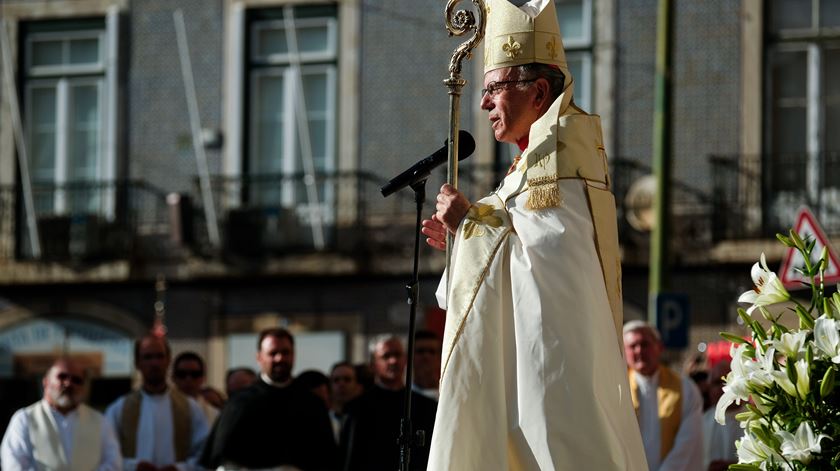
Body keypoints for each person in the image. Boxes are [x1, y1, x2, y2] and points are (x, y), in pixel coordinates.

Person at [420, 0, 647, 469]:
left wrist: (470, 227)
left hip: (550, 378)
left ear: (538, 92)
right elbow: (511, 247)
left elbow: (550, 276)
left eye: (494, 89)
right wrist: (464, 240)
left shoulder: (560, 168)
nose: (483, 104)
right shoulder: (527, 168)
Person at [199, 328, 337, 470]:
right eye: (273, 353)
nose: (280, 358)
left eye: (285, 352)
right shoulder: (240, 403)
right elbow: (223, 459)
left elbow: (327, 459)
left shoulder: (311, 404)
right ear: (259, 357)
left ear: (293, 355)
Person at [105, 334, 209, 471]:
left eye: (160, 356)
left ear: (168, 360)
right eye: (148, 357)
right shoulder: (119, 409)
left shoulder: (190, 408)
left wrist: (180, 468)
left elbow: (205, 453)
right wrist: (133, 466)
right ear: (137, 363)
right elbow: (106, 454)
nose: (154, 363)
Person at [0, 357, 122, 471]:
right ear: (46, 382)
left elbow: (113, 464)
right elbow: (13, 464)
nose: (69, 383)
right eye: (62, 377)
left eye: (77, 380)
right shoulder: (24, 419)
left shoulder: (100, 421)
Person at [341, 335, 437, 471]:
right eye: (386, 356)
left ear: (406, 360)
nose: (393, 361)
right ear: (373, 364)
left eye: (398, 355)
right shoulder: (357, 408)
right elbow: (349, 459)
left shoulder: (426, 406)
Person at [624, 321, 704, 471]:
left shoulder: (686, 388)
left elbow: (688, 442)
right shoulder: (619, 389)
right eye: (632, 346)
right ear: (623, 351)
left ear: (659, 347)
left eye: (645, 344)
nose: (639, 350)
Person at [702, 359, 740, 471]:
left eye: (726, 382)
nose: (721, 388)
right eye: (716, 383)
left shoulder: (753, 419)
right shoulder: (701, 421)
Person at [171, 351, 219, 423]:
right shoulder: (163, 411)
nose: (188, 379)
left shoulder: (215, 416)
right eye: (182, 374)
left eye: (195, 374)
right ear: (173, 378)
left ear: (203, 378)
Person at [328, 362, 362, 443]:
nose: (341, 384)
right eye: (336, 380)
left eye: (347, 379)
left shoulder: (367, 419)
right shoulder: (320, 421)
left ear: (358, 386)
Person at [411, 330, 441, 401]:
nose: (426, 356)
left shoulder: (450, 393)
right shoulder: (404, 397)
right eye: (420, 351)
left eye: (432, 351)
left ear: (440, 357)